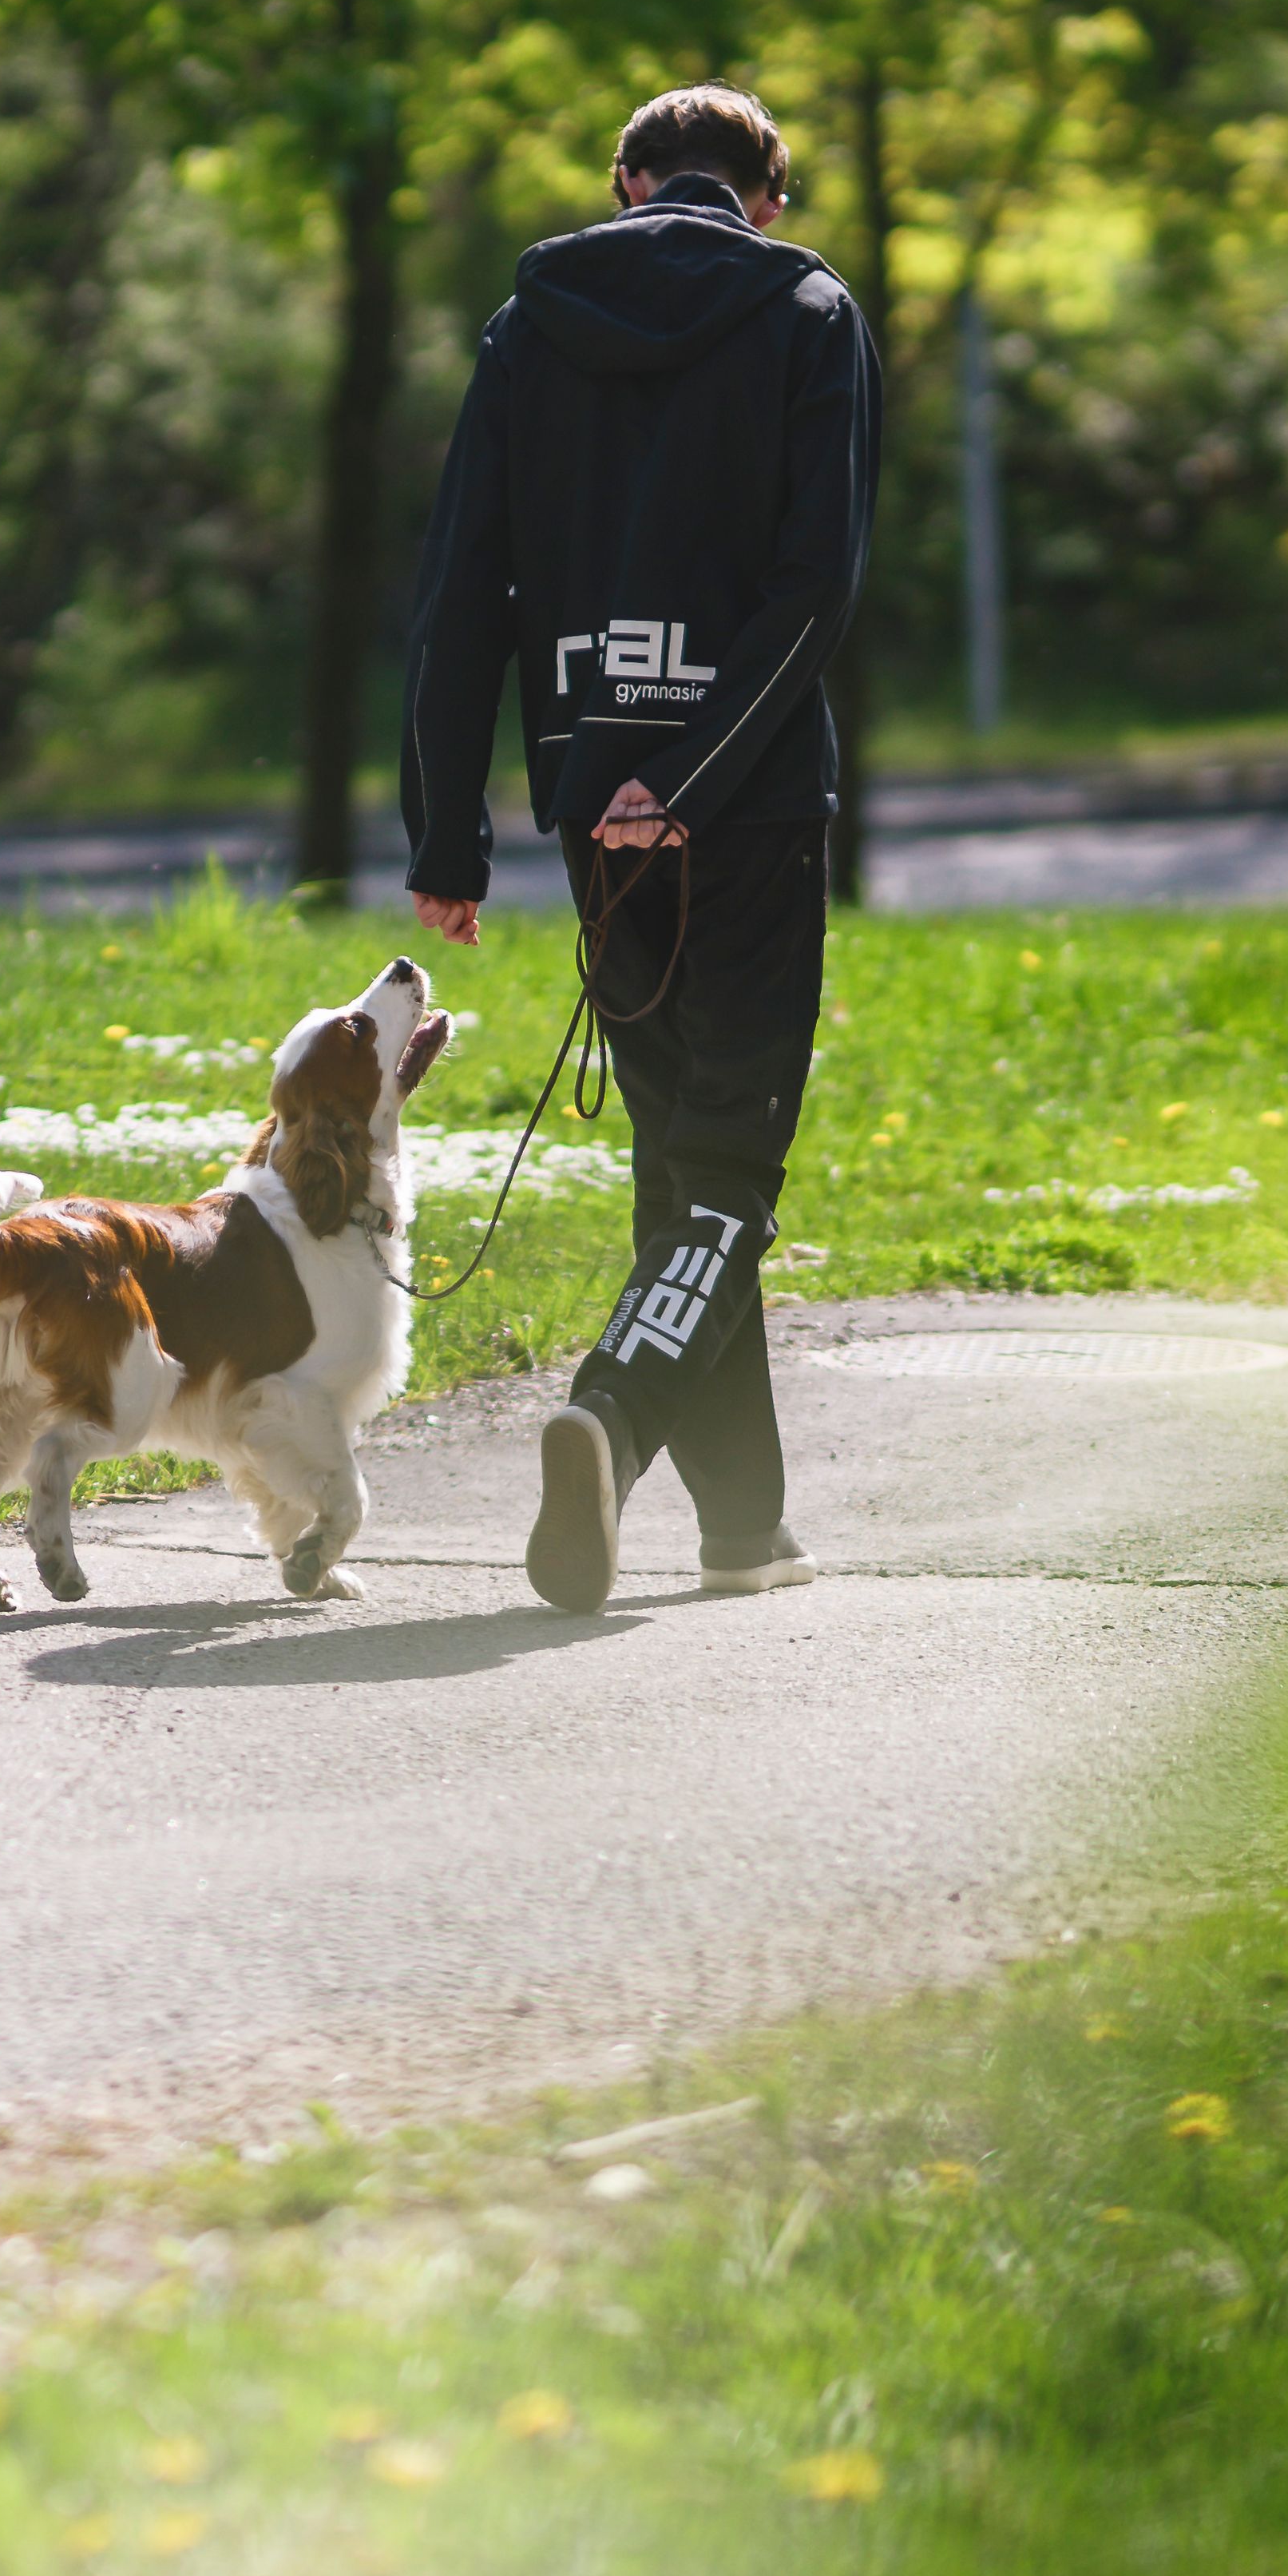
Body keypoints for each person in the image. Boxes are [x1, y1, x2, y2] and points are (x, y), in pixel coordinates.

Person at [394, 80, 878, 1610]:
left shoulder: (534, 322)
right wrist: (701, 770)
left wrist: (447, 836)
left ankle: (743, 1528)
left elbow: (462, 584)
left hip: (591, 802)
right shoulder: (807, 310)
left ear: (625, 182)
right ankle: (609, 1411)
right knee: (727, 1167)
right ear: (769, 195)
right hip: (737, 810)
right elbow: (813, 587)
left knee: (682, 1158)